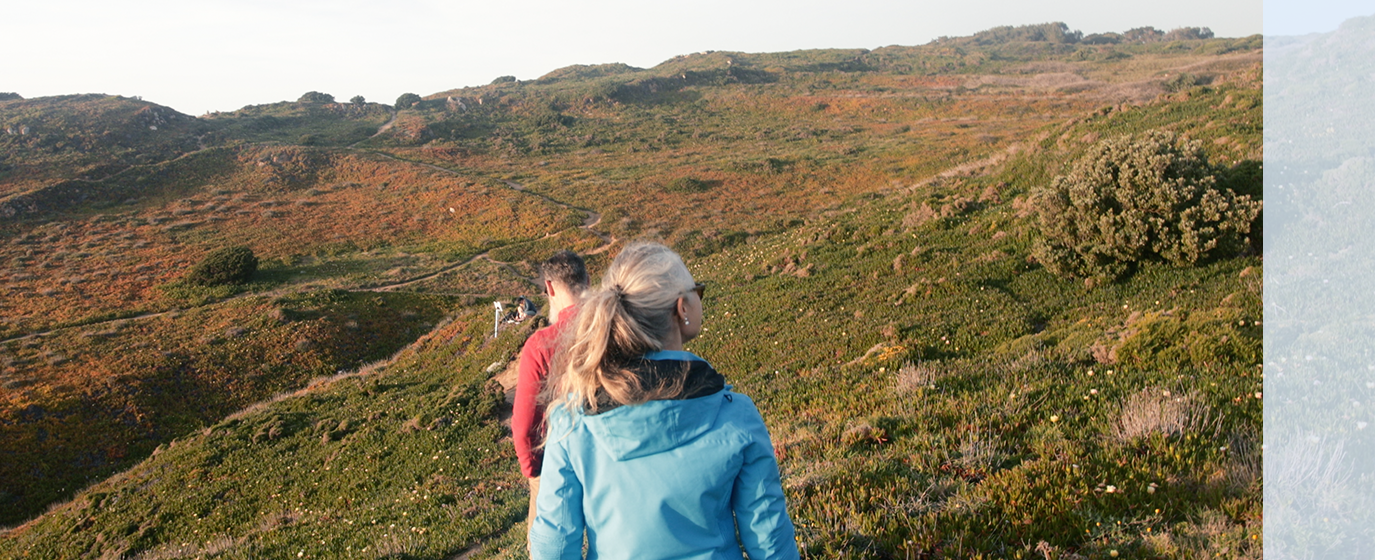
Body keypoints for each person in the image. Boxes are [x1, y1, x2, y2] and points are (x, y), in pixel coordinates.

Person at [529, 242, 798, 559]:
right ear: (682, 308)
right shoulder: (736, 415)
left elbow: (555, 547)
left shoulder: (571, 421)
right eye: (697, 290)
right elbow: (771, 544)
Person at [512, 251, 590, 525]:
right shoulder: (616, 326)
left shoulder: (542, 344)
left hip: (559, 465)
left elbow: (523, 426)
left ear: (549, 287)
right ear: (587, 281)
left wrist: (533, 472)